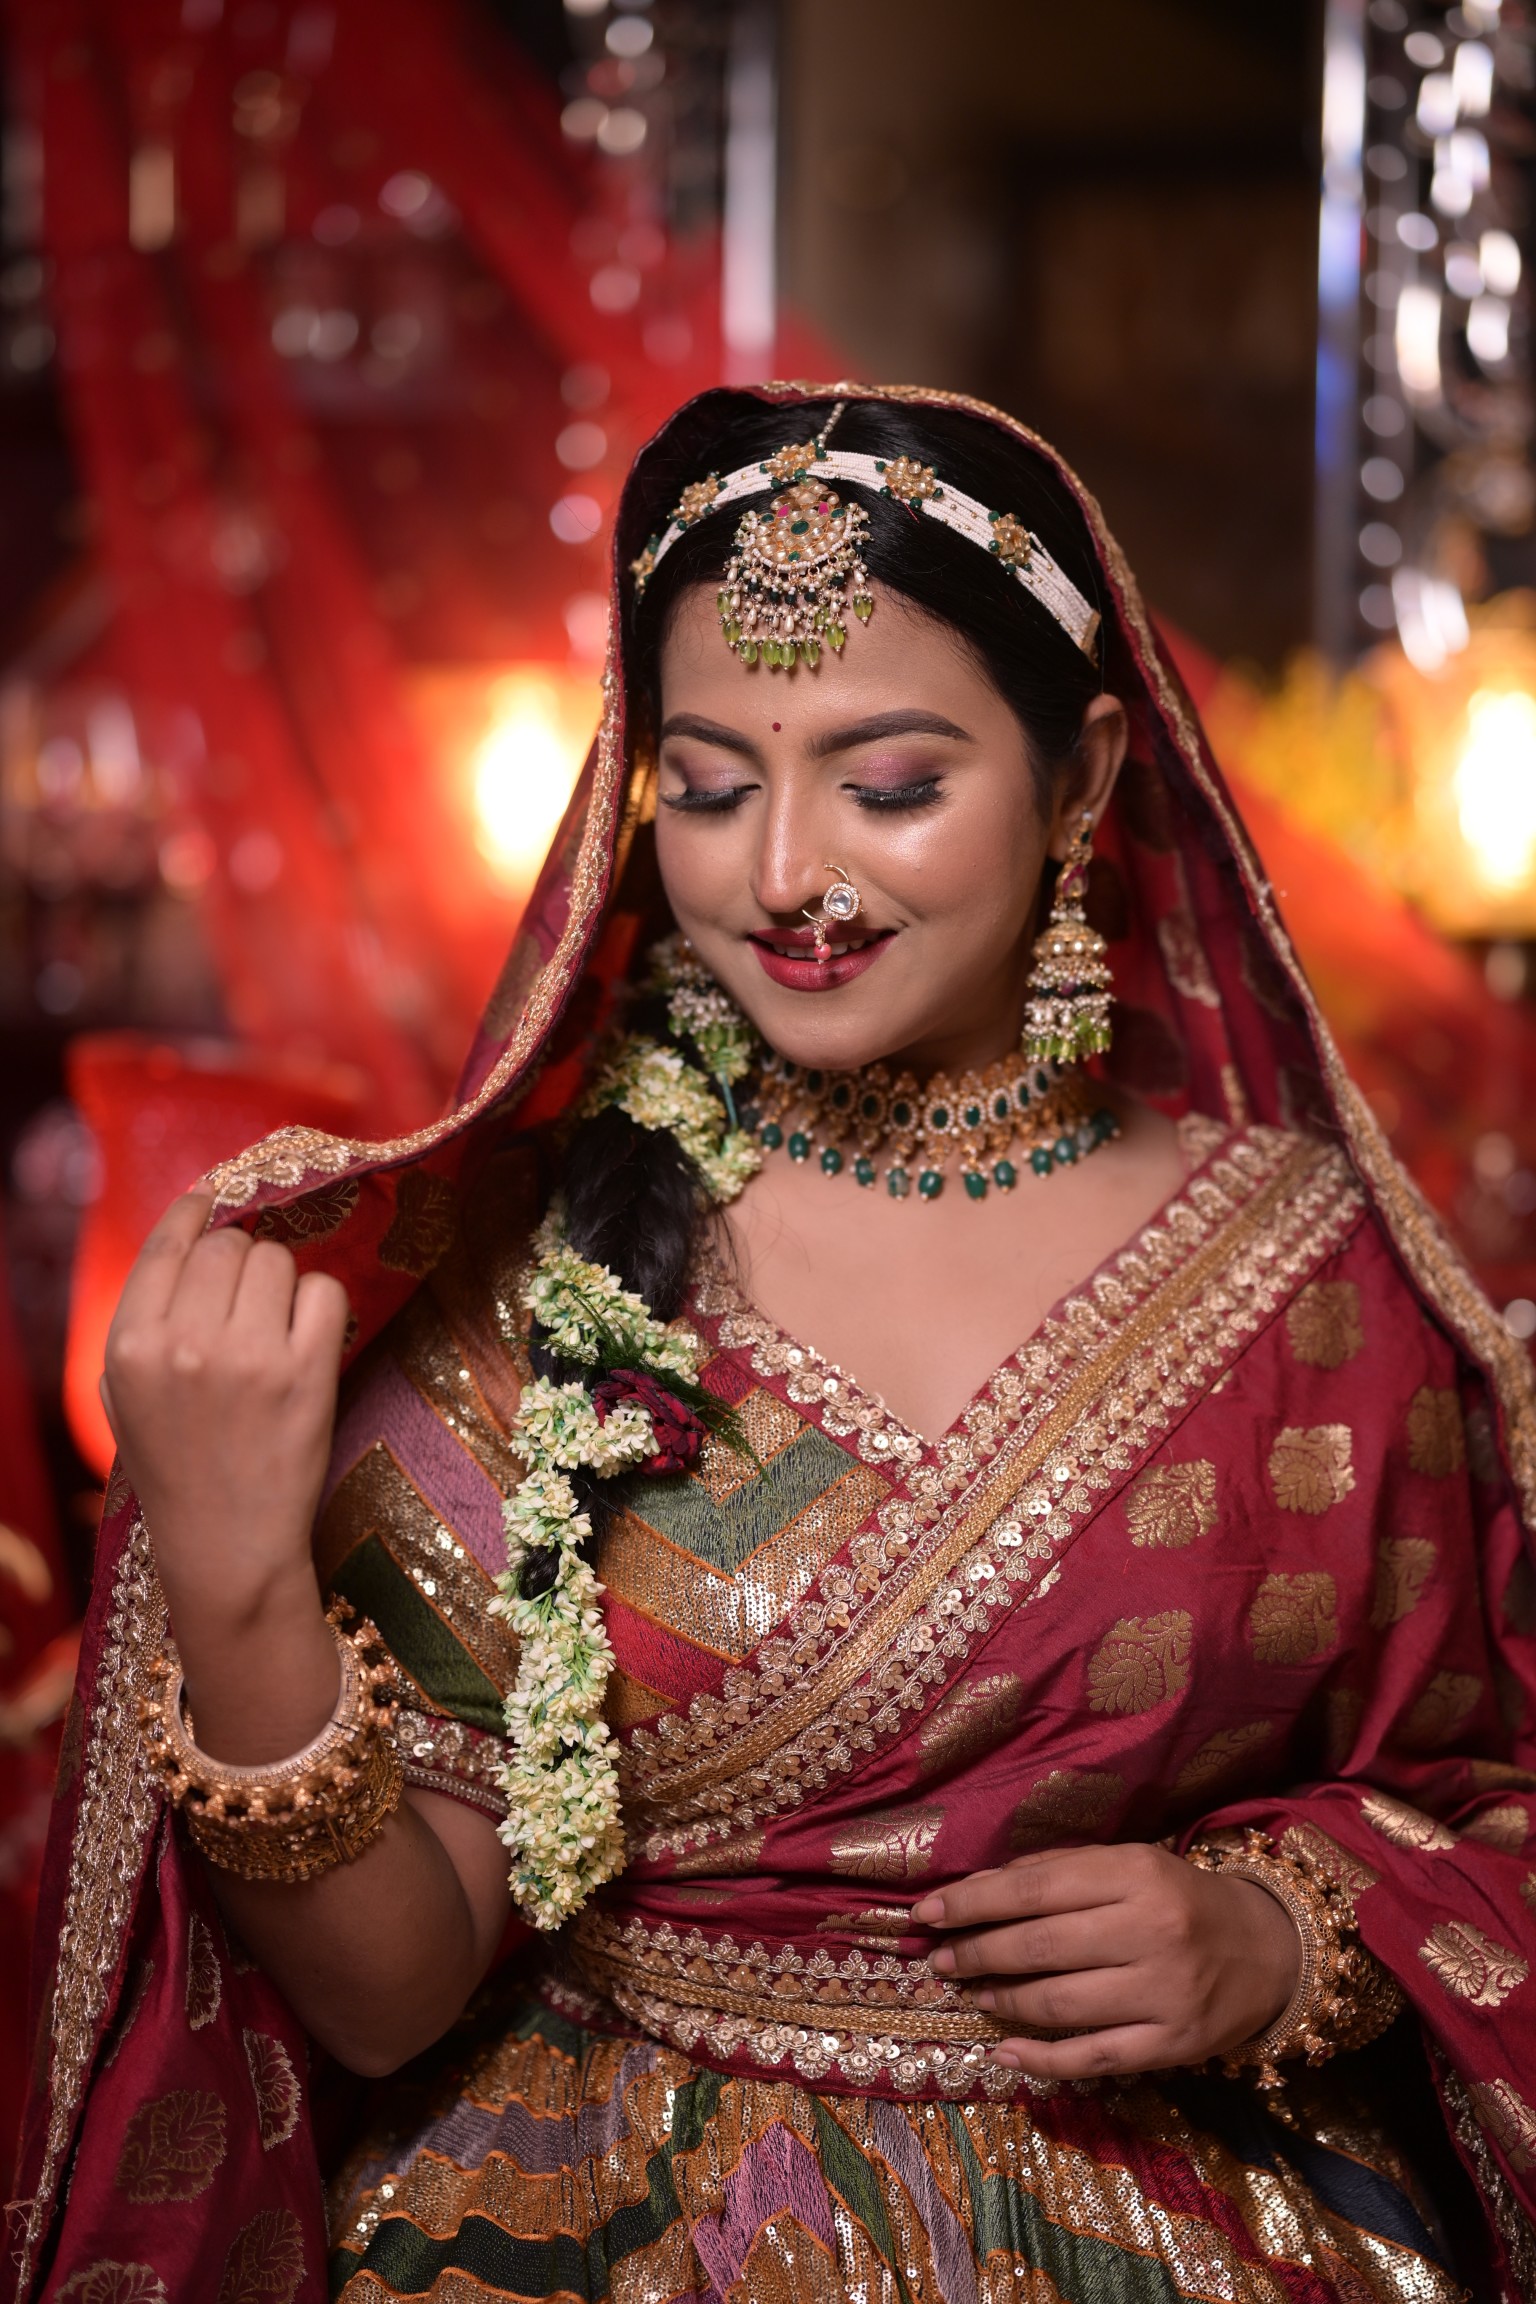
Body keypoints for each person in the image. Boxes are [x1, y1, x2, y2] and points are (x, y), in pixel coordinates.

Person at [15, 385, 1536, 2304]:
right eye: (715, 788)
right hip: (587, 2237)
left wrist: (1280, 1940)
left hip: (1191, 2235)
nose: (782, 875)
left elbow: (1491, 1801)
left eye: (891, 785)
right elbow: (391, 1997)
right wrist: (235, 1588)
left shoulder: (1312, 1276)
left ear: (1080, 783)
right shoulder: (526, 1263)